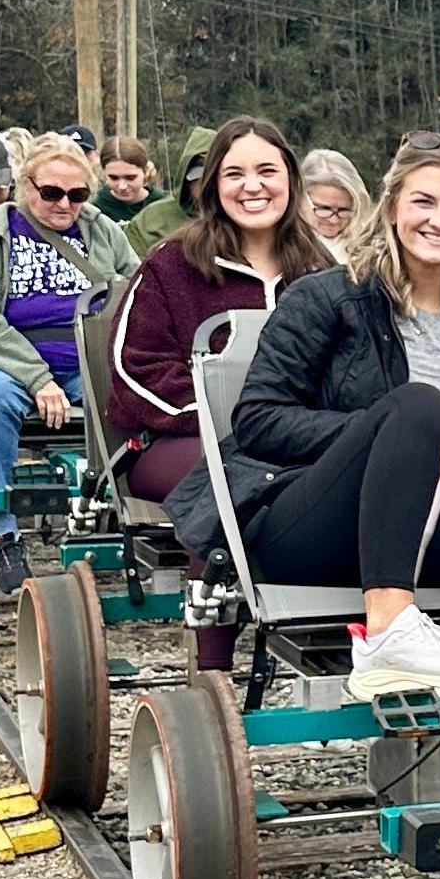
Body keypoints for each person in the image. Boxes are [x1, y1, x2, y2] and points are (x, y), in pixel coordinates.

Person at [229, 136, 440, 717]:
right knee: (417, 406)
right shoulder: (328, 298)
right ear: (392, 207)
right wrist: (392, 436)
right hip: (311, 524)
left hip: (423, 520)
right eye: (424, 203)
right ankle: (389, 633)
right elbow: (258, 419)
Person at [108, 120, 330, 674]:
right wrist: (220, 420)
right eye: (235, 173)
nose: (252, 186)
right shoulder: (172, 264)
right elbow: (134, 366)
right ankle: (211, 672)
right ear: (212, 186)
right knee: (226, 477)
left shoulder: (324, 270)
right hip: (181, 439)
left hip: (292, 441)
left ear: (290, 181)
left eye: (266, 172)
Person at [0, 133, 136, 595]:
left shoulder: (103, 231)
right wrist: (38, 377)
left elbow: (137, 291)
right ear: (25, 186)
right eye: (51, 192)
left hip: (90, 357)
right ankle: (3, 528)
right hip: (11, 358)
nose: (64, 203)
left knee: (142, 398)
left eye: (77, 194)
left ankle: (132, 510)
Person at [125, 128, 215, 258]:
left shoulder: (241, 218)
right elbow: (132, 269)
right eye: (197, 179)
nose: (206, 185)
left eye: (213, 178)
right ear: (185, 176)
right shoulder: (150, 220)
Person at [299, 148, 367, 252]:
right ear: (301, 198)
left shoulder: (366, 250)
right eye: (324, 209)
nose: (333, 220)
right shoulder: (278, 248)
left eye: (343, 210)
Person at [96, 134, 159, 233]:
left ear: (145, 172)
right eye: (114, 178)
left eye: (130, 178)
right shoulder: (97, 209)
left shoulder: (161, 205)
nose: (122, 186)